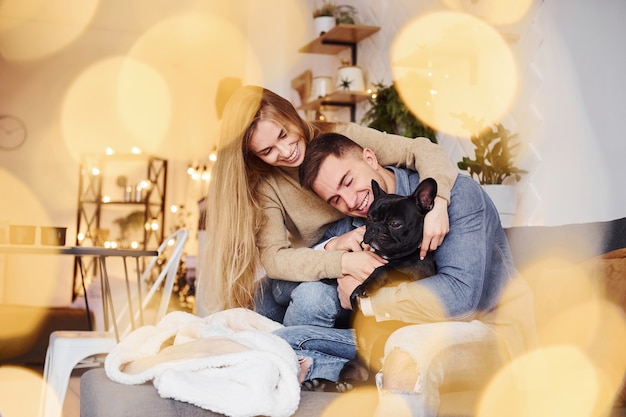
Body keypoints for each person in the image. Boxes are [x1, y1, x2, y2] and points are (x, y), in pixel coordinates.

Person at [274, 133, 537, 416]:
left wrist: (367, 300)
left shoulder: (455, 196)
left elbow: (463, 297)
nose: (350, 201)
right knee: (284, 342)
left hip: (485, 329)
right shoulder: (362, 217)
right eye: (335, 199)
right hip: (397, 328)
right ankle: (356, 377)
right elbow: (280, 288)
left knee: (405, 348)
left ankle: (363, 375)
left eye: (348, 181)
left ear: (370, 158)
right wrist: (335, 252)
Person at [195, 85, 459, 326]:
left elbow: (422, 150)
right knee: (243, 317)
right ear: (256, 157)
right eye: (268, 151)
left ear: (289, 113)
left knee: (311, 299)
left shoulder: (341, 138)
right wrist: (342, 260)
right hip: (315, 263)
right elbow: (275, 259)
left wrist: (438, 203)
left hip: (332, 277)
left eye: (284, 134)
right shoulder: (268, 185)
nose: (286, 151)